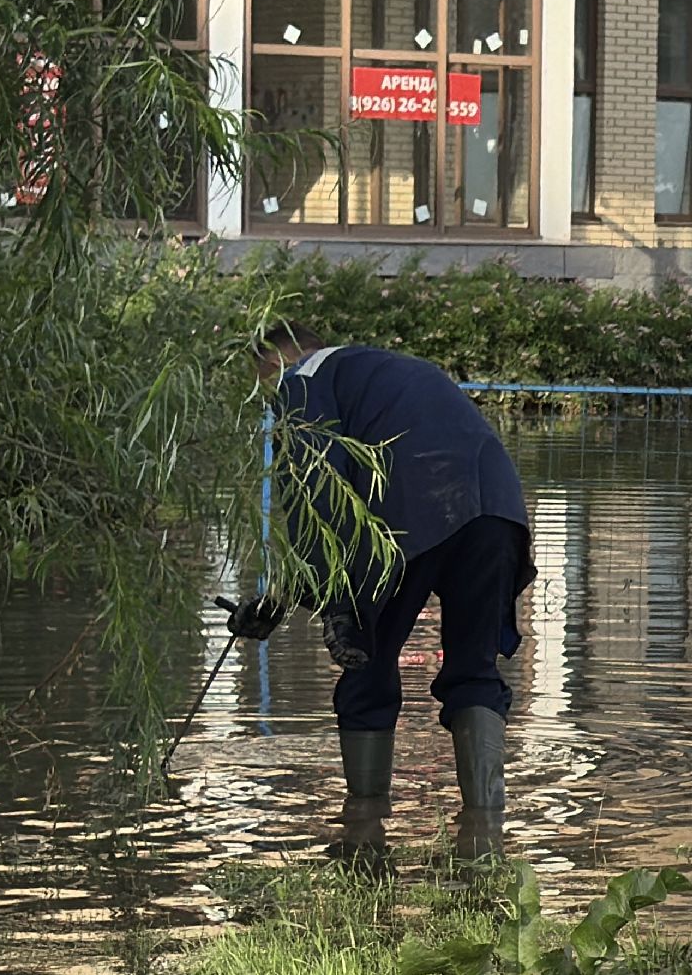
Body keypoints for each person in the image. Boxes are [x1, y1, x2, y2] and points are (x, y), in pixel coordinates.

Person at [230, 323, 536, 862]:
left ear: (277, 362)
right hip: (499, 509)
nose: (266, 401)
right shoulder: (386, 366)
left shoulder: (305, 378)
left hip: (412, 505)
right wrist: (276, 602)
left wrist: (338, 605)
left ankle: (364, 830)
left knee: (367, 664)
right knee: (474, 672)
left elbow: (317, 490)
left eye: (261, 385)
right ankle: (485, 835)